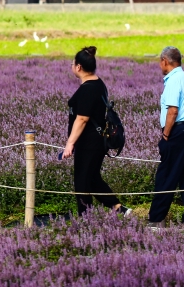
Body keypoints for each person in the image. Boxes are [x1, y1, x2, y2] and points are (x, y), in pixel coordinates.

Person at [63, 46, 130, 217]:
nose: (72, 66)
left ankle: (86, 218)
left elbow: (82, 119)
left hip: (89, 143)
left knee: (82, 182)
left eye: (72, 63)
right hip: (97, 140)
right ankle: (119, 208)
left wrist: (70, 143)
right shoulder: (99, 84)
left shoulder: (88, 89)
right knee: (92, 178)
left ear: (79, 67)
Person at [147, 46, 184, 228]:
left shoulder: (173, 80)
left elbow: (173, 110)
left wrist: (165, 135)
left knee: (166, 175)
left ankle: (156, 219)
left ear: (165, 61)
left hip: (178, 131)